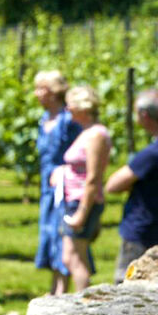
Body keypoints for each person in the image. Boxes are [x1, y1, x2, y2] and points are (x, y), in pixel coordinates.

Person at [105, 89, 158, 283]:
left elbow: (113, 185)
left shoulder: (153, 154)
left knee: (127, 286)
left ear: (144, 115)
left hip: (140, 231)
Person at [52, 85, 109, 292]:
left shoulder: (96, 135)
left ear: (82, 108)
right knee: (72, 257)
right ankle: (83, 301)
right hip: (73, 200)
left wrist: (82, 213)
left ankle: (83, 304)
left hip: (81, 202)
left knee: (74, 258)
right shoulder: (87, 133)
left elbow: (93, 177)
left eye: (71, 105)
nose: (67, 110)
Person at [32, 70, 82, 296]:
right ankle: (54, 287)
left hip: (65, 186)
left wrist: (64, 170)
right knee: (50, 232)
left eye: (40, 89)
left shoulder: (67, 121)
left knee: (63, 233)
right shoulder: (44, 120)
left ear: (52, 93)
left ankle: (63, 289)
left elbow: (80, 153)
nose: (36, 94)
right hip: (48, 187)